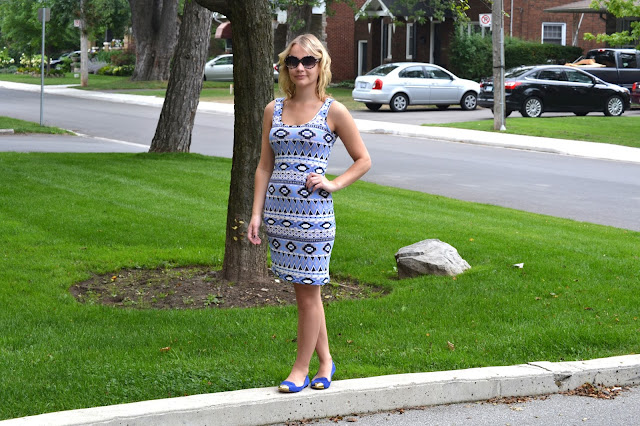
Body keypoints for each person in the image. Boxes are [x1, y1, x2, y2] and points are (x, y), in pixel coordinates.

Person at [247, 34, 371, 393]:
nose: (300, 67)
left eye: (308, 61)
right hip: (279, 215)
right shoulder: (274, 109)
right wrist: (256, 214)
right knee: (306, 292)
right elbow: (263, 167)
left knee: (308, 292)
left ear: (321, 65)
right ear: (285, 66)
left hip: (314, 217)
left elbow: (363, 160)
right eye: (293, 61)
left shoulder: (333, 110)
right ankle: (327, 361)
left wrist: (333, 183)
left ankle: (300, 368)